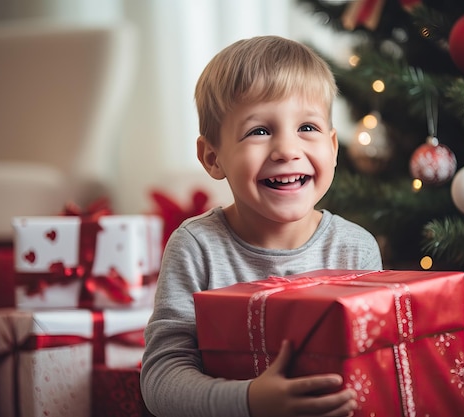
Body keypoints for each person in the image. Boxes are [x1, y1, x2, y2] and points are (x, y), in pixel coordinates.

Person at [140, 35, 383, 417]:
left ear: (334, 148)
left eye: (307, 127)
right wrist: (249, 400)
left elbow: (373, 368)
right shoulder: (196, 246)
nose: (287, 150)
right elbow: (160, 380)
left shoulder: (355, 248)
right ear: (212, 157)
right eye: (259, 131)